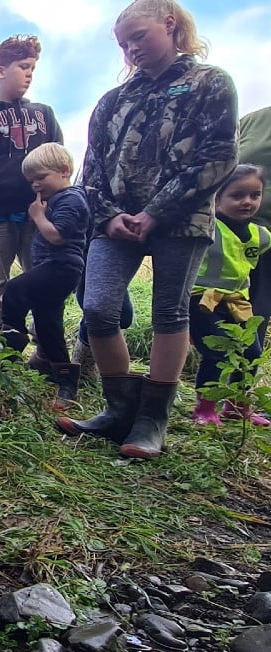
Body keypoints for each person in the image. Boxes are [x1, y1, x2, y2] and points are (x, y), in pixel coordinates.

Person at [57, 0, 237, 459]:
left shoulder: (209, 83)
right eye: (124, 43)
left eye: (139, 36)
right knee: (97, 308)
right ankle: (119, 409)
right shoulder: (115, 99)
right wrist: (109, 215)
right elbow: (91, 169)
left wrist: (157, 212)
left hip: (183, 217)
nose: (132, 49)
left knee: (169, 313)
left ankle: (152, 418)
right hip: (114, 222)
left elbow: (218, 157)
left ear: (170, 24)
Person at [0, 35, 63, 336]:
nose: (29, 74)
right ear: (0, 71)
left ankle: (45, 342)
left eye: (33, 68)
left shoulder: (44, 113)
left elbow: (59, 159)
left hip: (38, 213)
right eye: (23, 66)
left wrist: (59, 206)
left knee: (41, 276)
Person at [0, 143, 90, 408]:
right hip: (53, 267)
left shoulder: (72, 199)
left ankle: (10, 344)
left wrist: (38, 216)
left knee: (15, 289)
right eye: (31, 180)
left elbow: (57, 236)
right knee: (49, 325)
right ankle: (66, 383)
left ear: (64, 171)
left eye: (41, 177)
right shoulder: (58, 199)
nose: (36, 185)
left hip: (62, 266)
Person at [187, 165, 271, 426]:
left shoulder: (262, 235)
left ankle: (237, 405)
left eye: (255, 195)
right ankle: (205, 407)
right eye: (237, 195)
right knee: (218, 353)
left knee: (252, 353)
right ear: (217, 197)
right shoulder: (208, 226)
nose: (247, 201)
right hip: (203, 302)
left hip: (237, 303)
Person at [238, 108, 271, 339]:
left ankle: (243, 371)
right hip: (238, 233)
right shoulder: (252, 121)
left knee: (258, 305)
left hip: (265, 235)